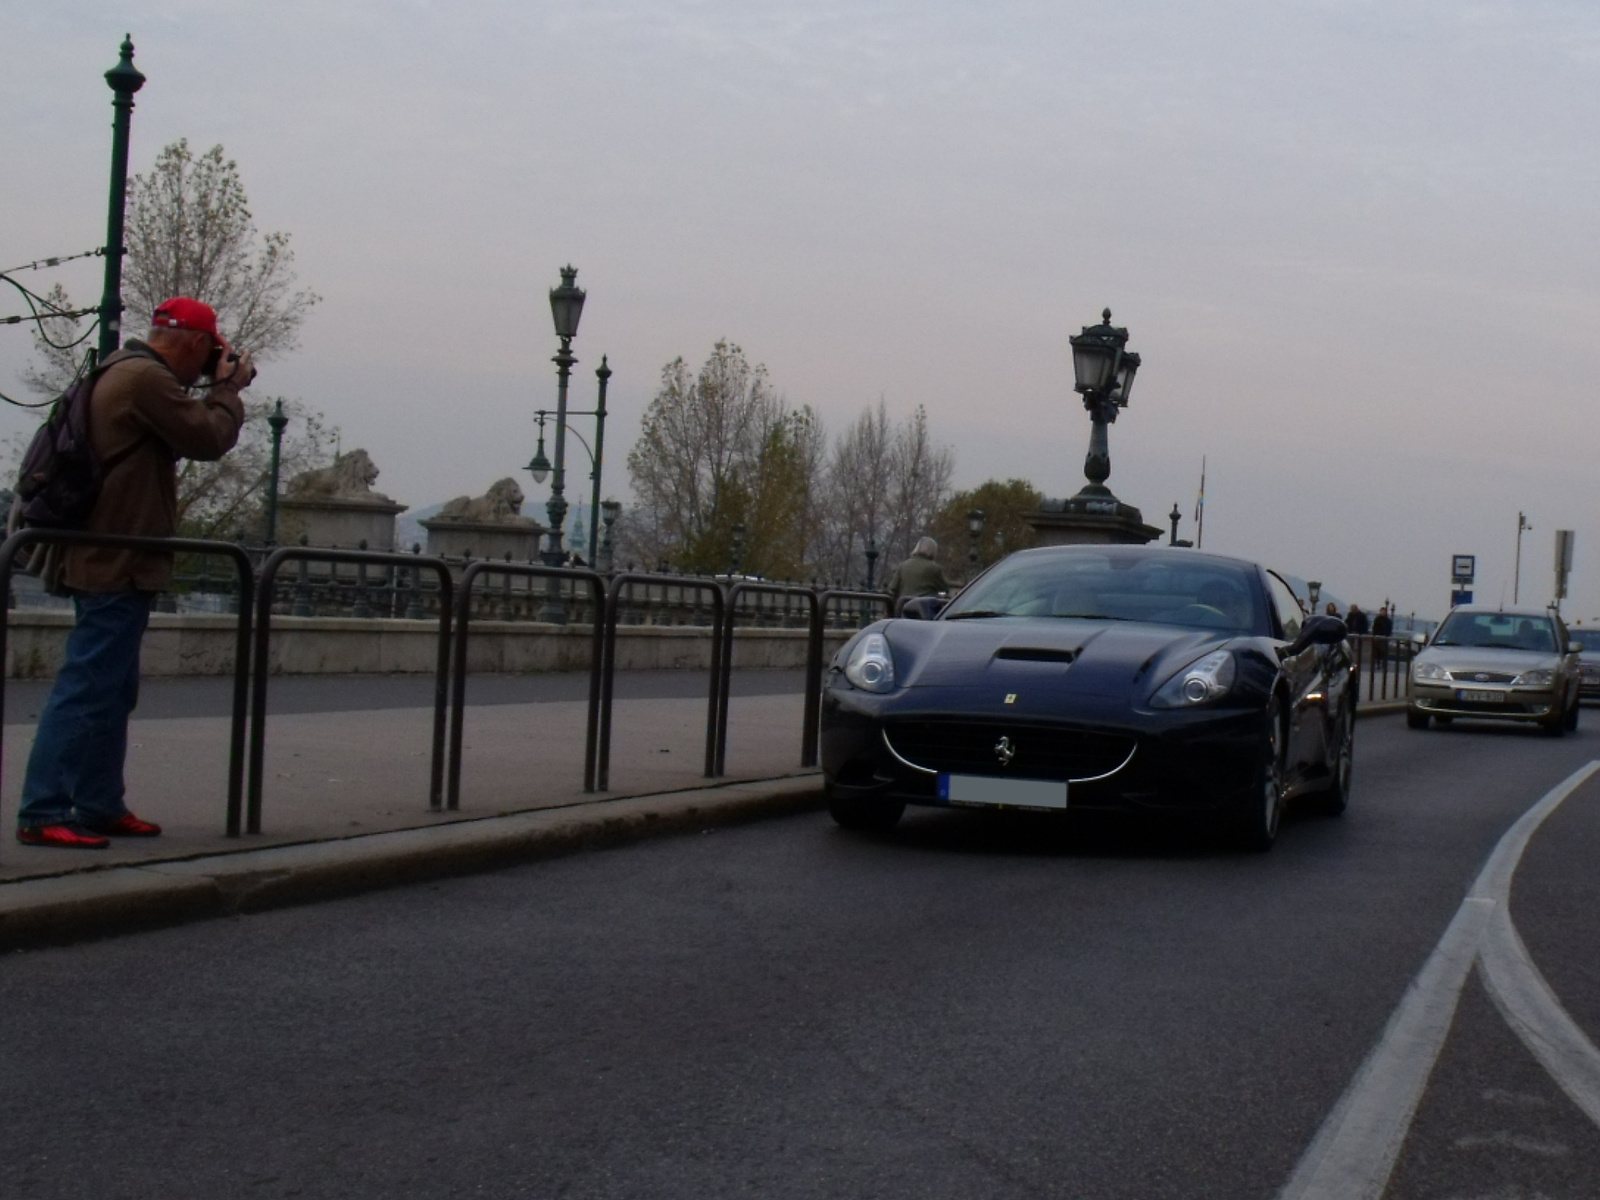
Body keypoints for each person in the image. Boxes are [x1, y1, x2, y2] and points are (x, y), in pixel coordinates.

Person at [15, 298, 252, 848]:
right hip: (115, 562)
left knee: (111, 691)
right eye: (211, 352)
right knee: (86, 687)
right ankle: (42, 808)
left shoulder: (121, 369)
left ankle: (99, 803)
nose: (210, 363)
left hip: (110, 558)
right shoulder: (145, 379)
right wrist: (228, 390)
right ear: (195, 343)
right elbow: (208, 439)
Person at [885, 536, 949, 604]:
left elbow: (892, 588)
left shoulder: (903, 566)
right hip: (924, 608)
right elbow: (945, 588)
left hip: (903, 606)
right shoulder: (934, 568)